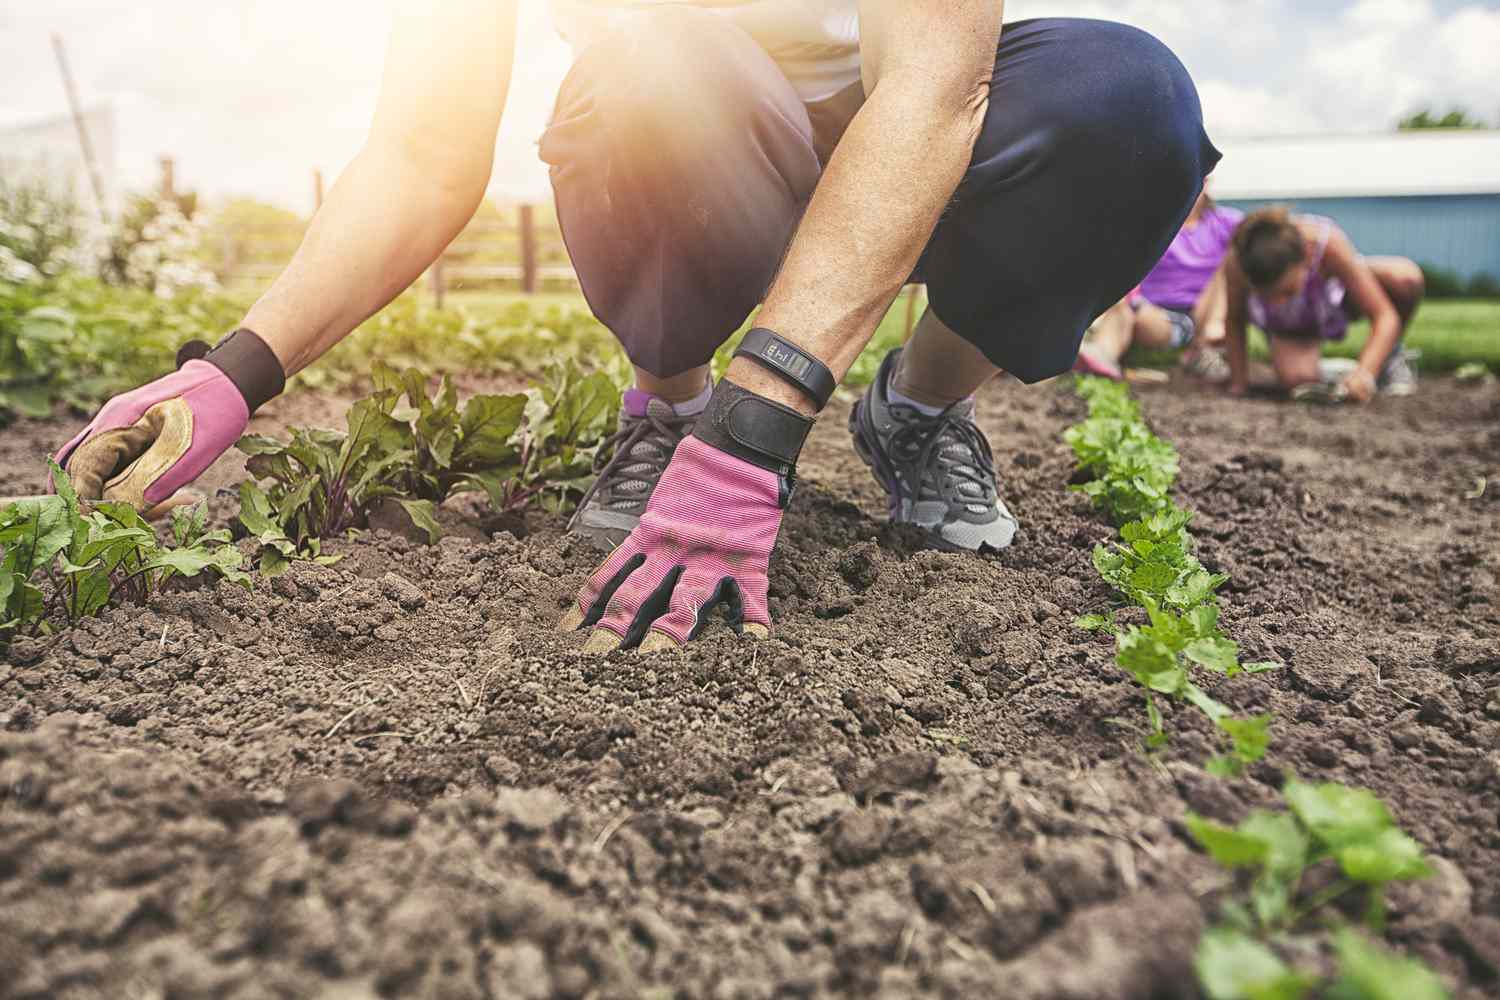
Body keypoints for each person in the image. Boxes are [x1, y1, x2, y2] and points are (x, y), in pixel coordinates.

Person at [55, 1, 1219, 652]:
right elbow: (420, 153)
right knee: (652, 63)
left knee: (1127, 101)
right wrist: (231, 370)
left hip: (906, 119)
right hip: (704, 128)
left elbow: (936, 86)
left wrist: (761, 425)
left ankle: (920, 406)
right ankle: (669, 404)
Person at [1222, 207, 1423, 402]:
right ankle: (1337, 371)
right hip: (1289, 327)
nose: (1278, 303)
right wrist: (1239, 383)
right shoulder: (1240, 261)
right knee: (1298, 380)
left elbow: (1385, 316)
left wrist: (1365, 374)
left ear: (1306, 258)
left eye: (1287, 291)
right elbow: (1234, 320)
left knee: (1405, 278)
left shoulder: (1324, 242)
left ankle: (1387, 359)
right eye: (1268, 295)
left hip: (1333, 300)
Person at [1074, 188, 1239, 382]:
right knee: (1124, 305)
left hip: (1199, 312)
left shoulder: (1226, 223)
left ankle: (1205, 349)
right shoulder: (1153, 223)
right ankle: (1101, 357)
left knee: (1229, 264)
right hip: (1152, 312)